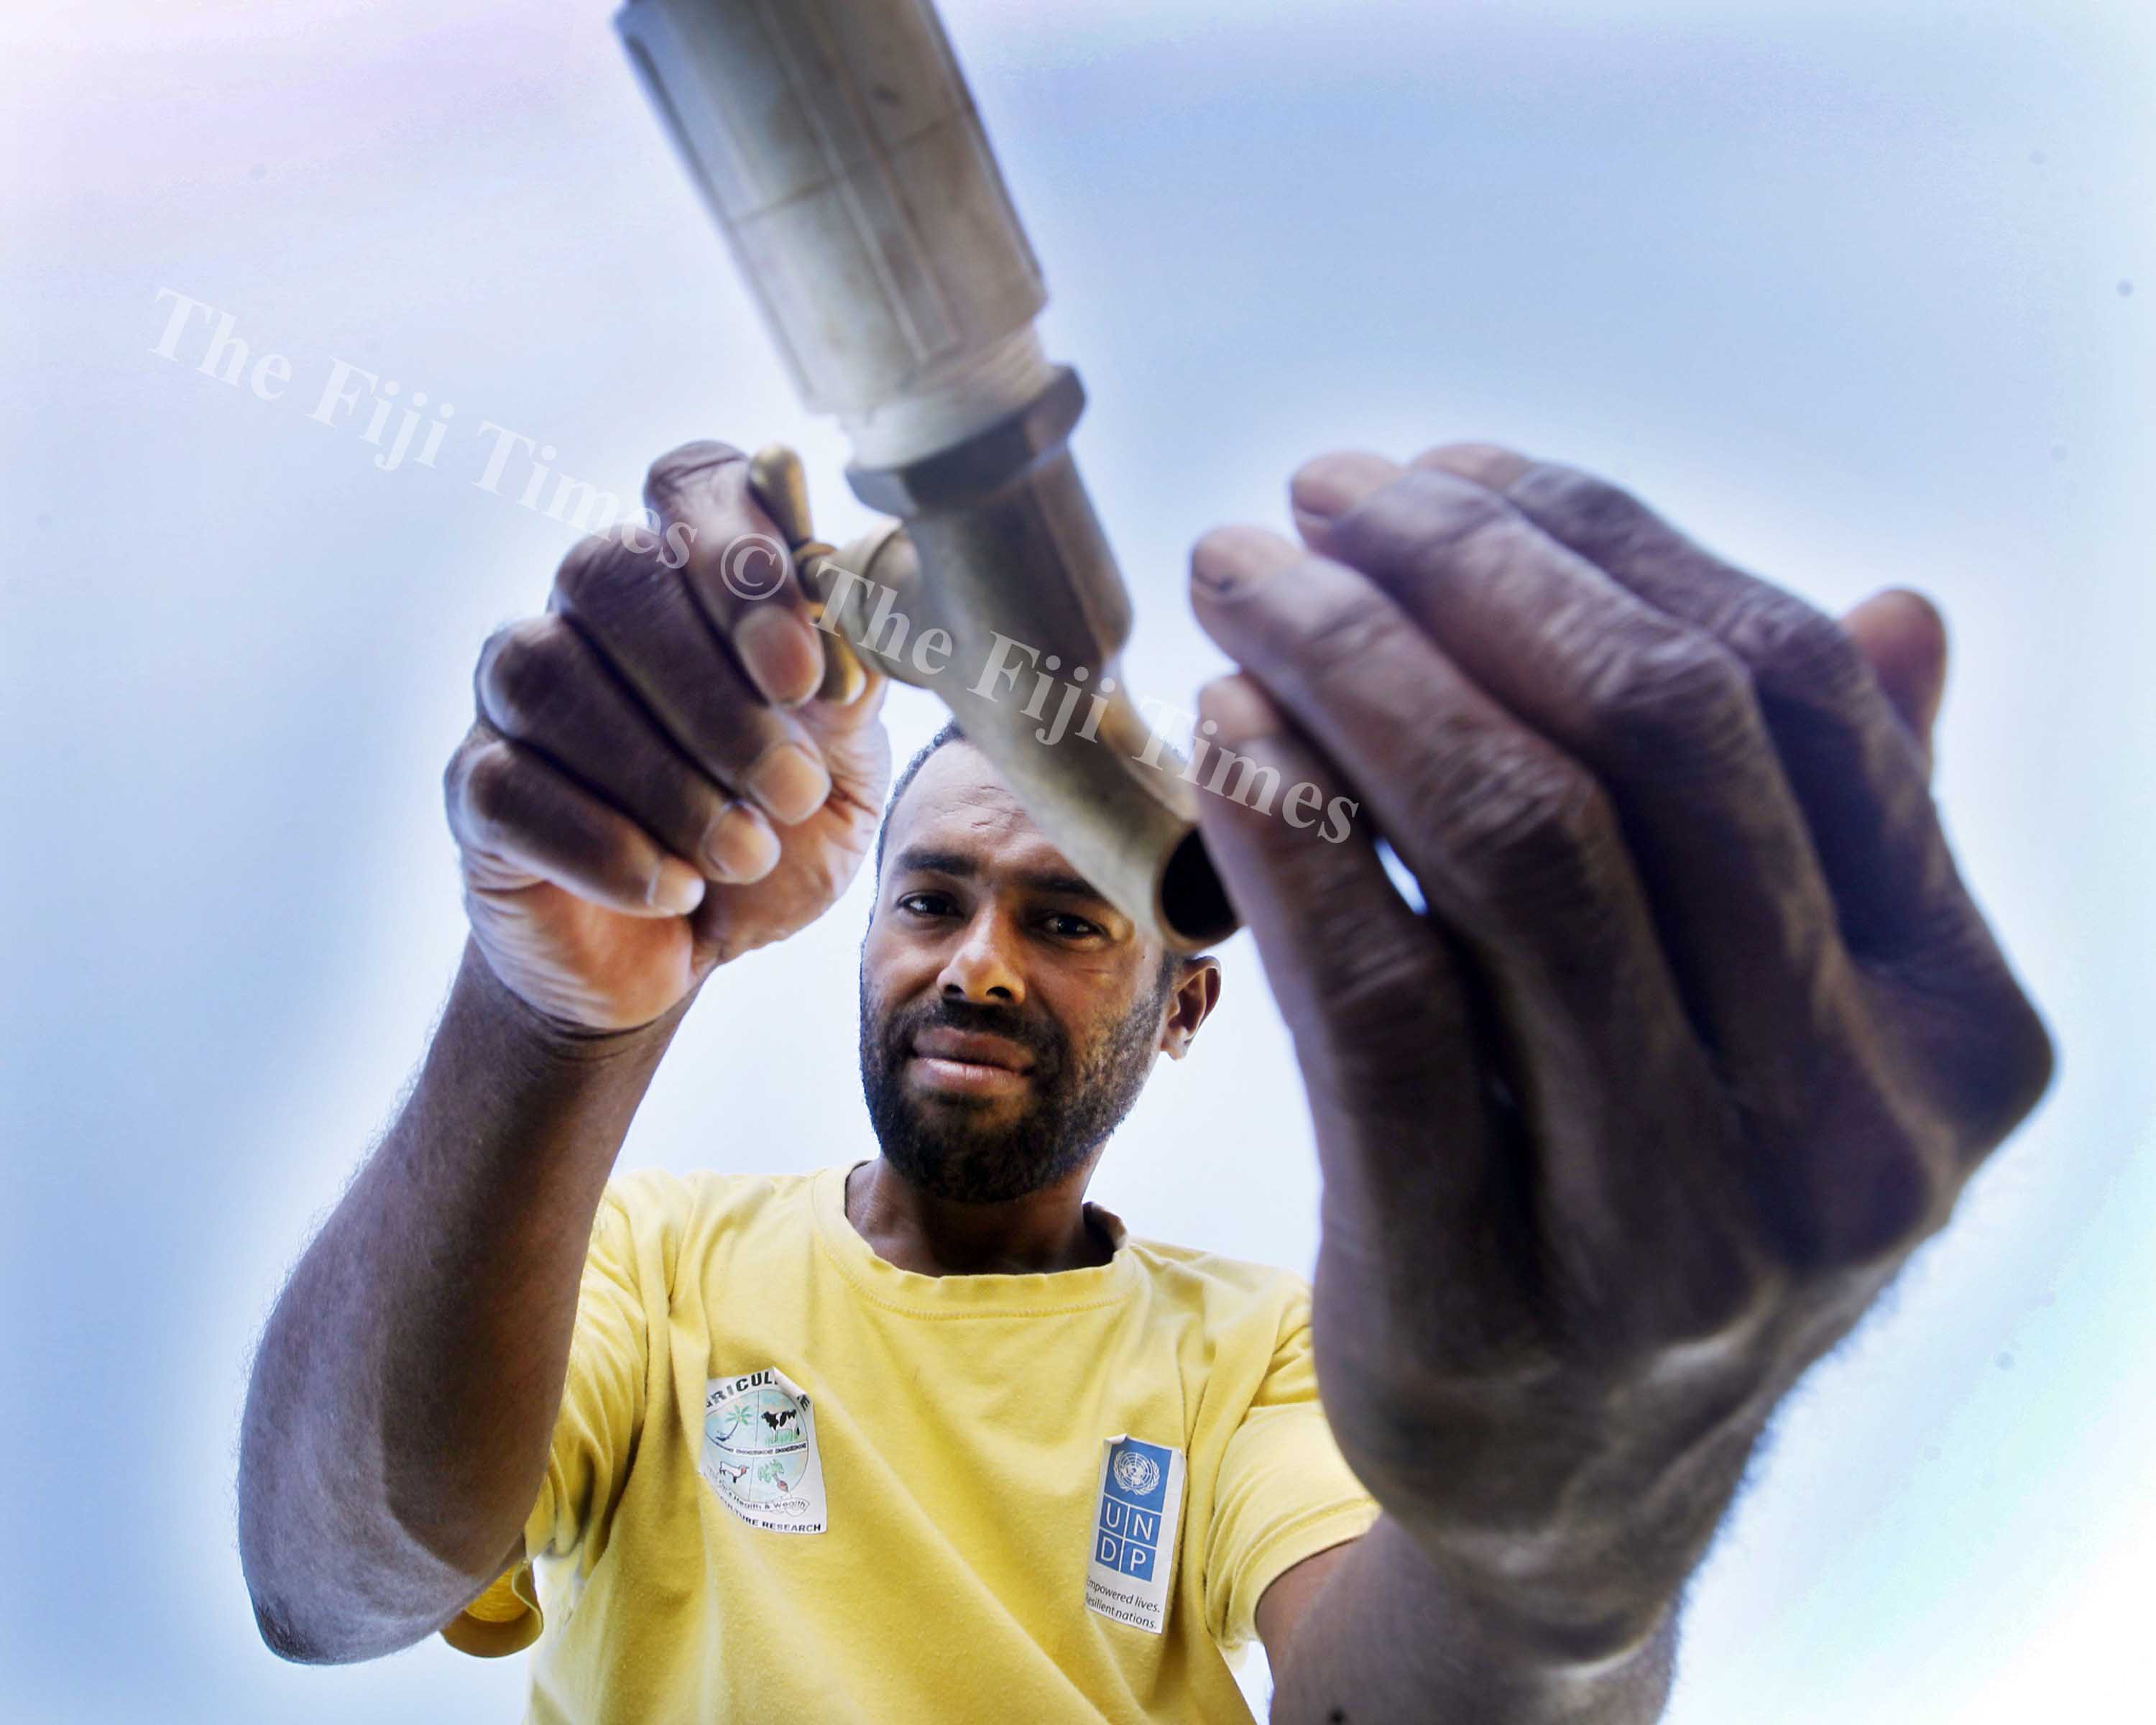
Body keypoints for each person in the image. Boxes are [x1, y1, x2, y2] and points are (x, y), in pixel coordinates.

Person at [235, 438, 2053, 1724]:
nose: (976, 960)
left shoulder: (1255, 1353)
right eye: (930, 899)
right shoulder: (651, 1262)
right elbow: (338, 1583)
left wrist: (1565, 1530)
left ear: (1182, 1010)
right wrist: (548, 1017)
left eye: (1068, 918)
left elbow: (1403, 1687)